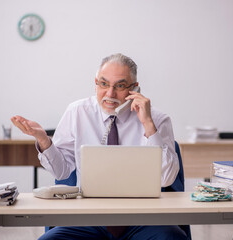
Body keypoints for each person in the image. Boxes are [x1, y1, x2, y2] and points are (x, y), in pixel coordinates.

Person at [11, 53, 187, 240]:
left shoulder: (158, 119)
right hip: (87, 219)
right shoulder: (77, 112)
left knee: (171, 237)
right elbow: (61, 172)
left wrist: (148, 125)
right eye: (103, 84)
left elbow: (167, 179)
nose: (110, 94)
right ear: (95, 83)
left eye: (119, 86)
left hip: (142, 219)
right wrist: (44, 140)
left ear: (135, 88)